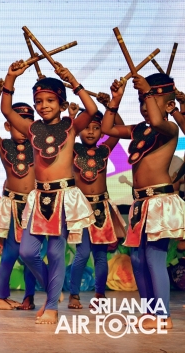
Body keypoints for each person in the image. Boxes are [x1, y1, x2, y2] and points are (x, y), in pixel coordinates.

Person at [1, 60, 96, 325]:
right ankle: (53, 291)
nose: (43, 105)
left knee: (55, 253)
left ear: (62, 104)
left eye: (50, 100)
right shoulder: (32, 129)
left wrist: (72, 80)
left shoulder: (71, 126)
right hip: (39, 196)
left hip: (63, 196)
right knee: (27, 252)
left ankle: (52, 306)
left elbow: (92, 109)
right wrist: (11, 77)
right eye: (39, 101)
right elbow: (6, 110)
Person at [101, 73, 185, 330]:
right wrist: (115, 100)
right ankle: (150, 311)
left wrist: (147, 90)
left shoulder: (169, 129)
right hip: (140, 203)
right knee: (138, 260)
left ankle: (163, 315)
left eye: (151, 99)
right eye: (141, 100)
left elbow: (158, 120)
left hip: (160, 201)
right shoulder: (138, 130)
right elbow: (107, 129)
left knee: (154, 258)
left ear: (169, 106)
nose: (145, 105)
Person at [67, 97, 126, 310]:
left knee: (100, 255)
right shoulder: (72, 149)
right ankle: (74, 295)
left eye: (96, 128)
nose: (91, 132)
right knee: (82, 253)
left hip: (101, 207)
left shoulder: (104, 150)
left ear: (102, 132)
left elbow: (119, 129)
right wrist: (71, 117)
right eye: (87, 128)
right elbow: (67, 133)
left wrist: (111, 107)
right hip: (81, 209)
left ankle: (100, 294)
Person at [0, 79, 37, 311]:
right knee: (10, 253)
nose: (22, 130)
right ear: (8, 126)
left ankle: (29, 296)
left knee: (31, 255)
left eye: (27, 125)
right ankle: (1, 297)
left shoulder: (40, 147)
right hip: (13, 206)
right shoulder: (4, 147)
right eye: (17, 125)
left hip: (35, 207)